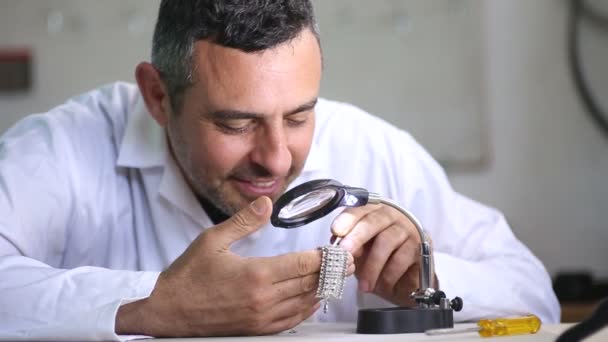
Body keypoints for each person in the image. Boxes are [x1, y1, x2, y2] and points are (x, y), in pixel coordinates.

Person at [0, 0, 559, 340]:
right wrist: (153, 304)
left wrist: (430, 279)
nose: (277, 158)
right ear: (157, 95)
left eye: (298, 116)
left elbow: (536, 297)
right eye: (235, 123)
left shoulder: (371, 148)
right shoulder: (67, 148)